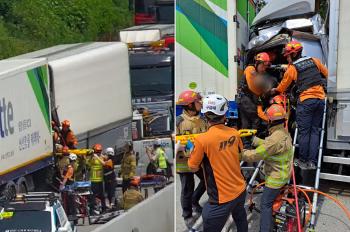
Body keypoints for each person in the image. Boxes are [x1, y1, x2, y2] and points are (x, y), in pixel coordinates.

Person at [188, 94, 248, 232]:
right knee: (241, 220)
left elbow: (192, 167)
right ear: (224, 113)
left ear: (205, 115)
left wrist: (191, 149)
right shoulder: (234, 133)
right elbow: (239, 154)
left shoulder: (202, 140)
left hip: (221, 199)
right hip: (240, 189)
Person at [271, 40, 328, 169]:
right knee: (314, 131)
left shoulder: (292, 68)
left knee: (304, 132)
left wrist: (274, 90)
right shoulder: (314, 60)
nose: (287, 58)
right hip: (320, 100)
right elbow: (327, 74)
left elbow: (283, 86)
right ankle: (312, 162)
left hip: (306, 101)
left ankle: (302, 160)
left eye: (288, 55)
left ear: (294, 54)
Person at [240, 104, 293, 232]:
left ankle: (265, 229)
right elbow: (270, 145)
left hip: (275, 179)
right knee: (271, 202)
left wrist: (239, 154)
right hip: (283, 173)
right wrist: (254, 140)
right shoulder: (283, 132)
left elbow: (256, 155)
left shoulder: (274, 139)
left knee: (265, 204)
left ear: (269, 120)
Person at [176, 90, 206, 228]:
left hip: (200, 158)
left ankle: (195, 201)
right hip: (184, 160)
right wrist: (190, 144)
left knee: (207, 179)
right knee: (187, 187)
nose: (200, 103)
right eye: (197, 101)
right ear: (189, 105)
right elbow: (177, 142)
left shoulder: (202, 119)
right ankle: (187, 215)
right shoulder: (180, 122)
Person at [87, 143, 106, 213]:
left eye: (100, 151)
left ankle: (104, 209)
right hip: (94, 180)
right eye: (97, 151)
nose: (99, 152)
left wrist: (99, 156)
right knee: (93, 196)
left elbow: (104, 162)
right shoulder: (92, 158)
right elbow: (88, 164)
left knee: (102, 195)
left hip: (100, 180)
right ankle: (92, 211)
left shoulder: (101, 157)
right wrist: (91, 156)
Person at [60, 154, 77, 220]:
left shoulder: (68, 168)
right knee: (70, 201)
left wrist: (62, 185)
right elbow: (65, 177)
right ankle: (71, 214)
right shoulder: (70, 168)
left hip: (69, 186)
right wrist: (63, 184)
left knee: (69, 201)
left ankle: (71, 214)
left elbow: (65, 177)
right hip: (69, 186)